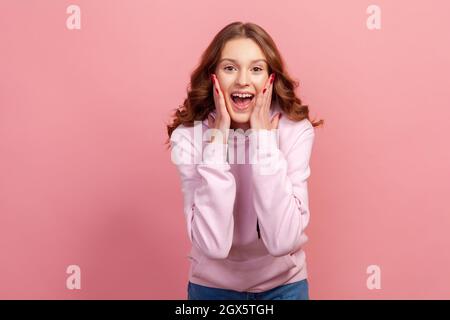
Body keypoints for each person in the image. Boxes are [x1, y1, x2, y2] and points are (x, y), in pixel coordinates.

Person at [166, 21, 323, 300]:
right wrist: (217, 140)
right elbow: (212, 246)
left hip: (285, 287)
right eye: (229, 68)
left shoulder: (294, 131)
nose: (242, 80)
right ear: (213, 77)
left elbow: (283, 241)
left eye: (256, 69)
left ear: (270, 79)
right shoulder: (188, 137)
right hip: (211, 290)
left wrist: (263, 139)